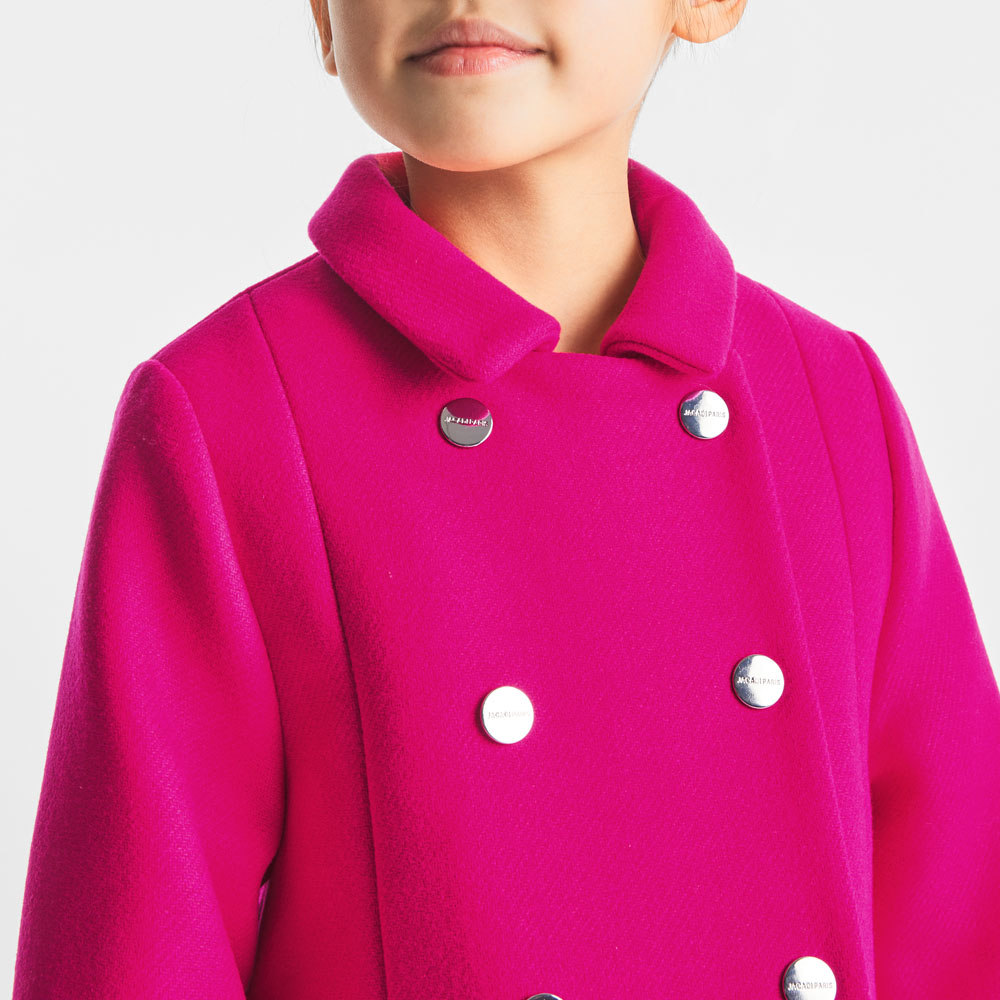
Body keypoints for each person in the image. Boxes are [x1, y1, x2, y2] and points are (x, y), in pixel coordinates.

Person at [12, 1, 1000, 998]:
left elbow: (962, 930)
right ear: (321, 14)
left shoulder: (829, 401)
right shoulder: (227, 413)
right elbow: (135, 954)